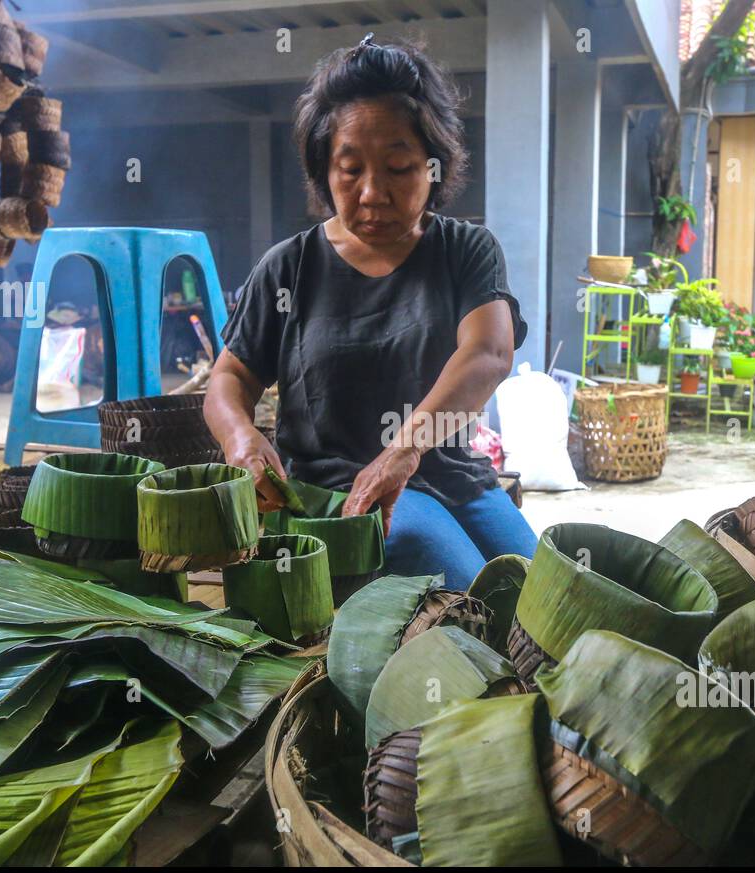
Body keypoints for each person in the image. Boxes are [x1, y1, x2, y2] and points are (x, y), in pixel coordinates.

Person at [204, 34, 537, 590]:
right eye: (350, 169)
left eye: (399, 167)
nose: (372, 192)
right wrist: (241, 441)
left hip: (455, 476)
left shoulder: (465, 250)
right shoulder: (288, 267)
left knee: (545, 591)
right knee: (479, 602)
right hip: (341, 491)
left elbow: (489, 353)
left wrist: (403, 450)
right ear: (323, 171)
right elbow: (229, 378)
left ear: (433, 167)